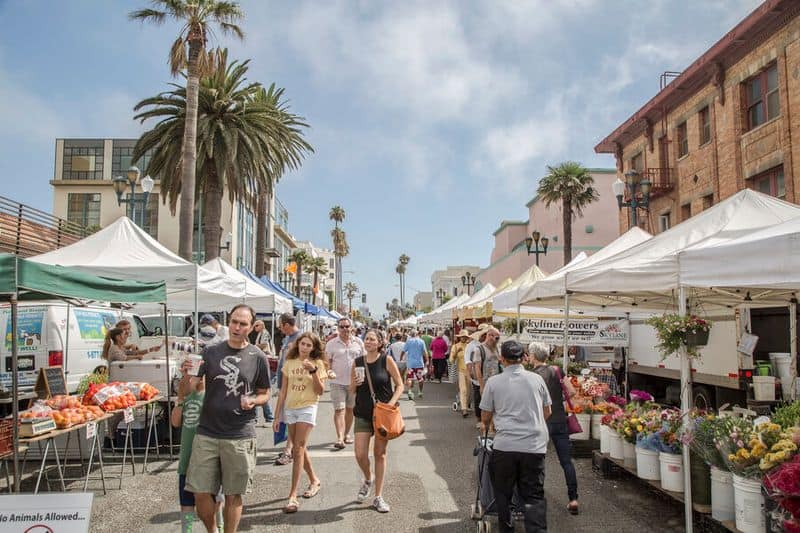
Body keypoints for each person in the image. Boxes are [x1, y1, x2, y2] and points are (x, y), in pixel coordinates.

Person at [182, 304, 271, 533]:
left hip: (240, 434)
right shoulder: (211, 352)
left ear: (251, 327)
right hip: (207, 431)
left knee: (233, 494)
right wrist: (186, 375)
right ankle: (213, 530)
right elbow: (191, 387)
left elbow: (265, 393)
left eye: (243, 324)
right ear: (228, 322)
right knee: (200, 491)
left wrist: (253, 401)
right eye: (234, 322)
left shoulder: (257, 356)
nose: (237, 327)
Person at [480, 340, 552, 533]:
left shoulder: (493, 382)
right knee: (533, 495)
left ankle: (507, 529)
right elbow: (547, 411)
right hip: (534, 445)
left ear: (502, 359)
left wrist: (488, 424)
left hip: (505, 446)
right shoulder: (537, 379)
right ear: (524, 358)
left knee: (503, 493)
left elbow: (485, 415)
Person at [272, 332, 327, 513]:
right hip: (290, 408)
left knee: (297, 449)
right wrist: (277, 415)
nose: (304, 348)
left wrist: (313, 371)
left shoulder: (318, 364)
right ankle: (314, 480)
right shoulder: (289, 363)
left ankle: (292, 496)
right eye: (302, 344)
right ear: (298, 345)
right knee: (299, 448)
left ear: (313, 348)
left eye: (308, 345)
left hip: (308, 407)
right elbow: (283, 391)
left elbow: (320, 391)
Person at [350, 329, 404, 513]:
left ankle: (378, 496)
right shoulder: (357, 362)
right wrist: (355, 384)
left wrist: (390, 404)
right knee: (359, 454)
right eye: (367, 339)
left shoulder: (386, 360)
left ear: (380, 343)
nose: (369, 342)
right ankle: (368, 477)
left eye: (373, 339)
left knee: (379, 454)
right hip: (363, 412)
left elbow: (400, 385)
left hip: (382, 415)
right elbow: (351, 390)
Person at [171, 361, 224, 533]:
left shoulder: (212, 396)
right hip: (187, 458)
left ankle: (219, 528)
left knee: (215, 500)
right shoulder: (186, 397)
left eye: (197, 371)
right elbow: (175, 422)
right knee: (186, 504)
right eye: (189, 371)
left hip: (209, 457)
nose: (194, 375)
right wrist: (180, 396)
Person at [529, 341, 579, 515]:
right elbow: (571, 391)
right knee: (566, 462)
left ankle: (537, 499)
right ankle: (573, 499)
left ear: (533, 356)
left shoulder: (532, 376)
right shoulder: (557, 370)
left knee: (538, 461)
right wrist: (558, 401)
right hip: (559, 421)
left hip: (542, 422)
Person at [326, 317, 365, 449]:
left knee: (350, 410)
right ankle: (339, 438)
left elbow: (364, 360)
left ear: (351, 328)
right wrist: (329, 371)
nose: (345, 329)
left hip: (354, 383)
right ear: (338, 328)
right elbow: (328, 362)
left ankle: (346, 434)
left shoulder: (358, 342)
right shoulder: (331, 344)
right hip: (337, 382)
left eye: (347, 326)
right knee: (339, 410)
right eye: (342, 327)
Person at [275, 313, 301, 466]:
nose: (279, 328)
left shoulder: (300, 338)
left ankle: (289, 451)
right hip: (285, 384)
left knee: (291, 418)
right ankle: (290, 449)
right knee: (286, 418)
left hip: (293, 386)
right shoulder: (287, 339)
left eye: (280, 325)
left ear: (286, 325)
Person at [465, 324, 489, 427]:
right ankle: (479, 418)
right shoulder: (472, 345)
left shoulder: (490, 344)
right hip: (477, 375)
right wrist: (472, 374)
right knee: (478, 396)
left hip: (489, 375)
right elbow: (468, 361)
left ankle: (489, 419)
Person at [252, 320, 275, 425]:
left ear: (261, 325)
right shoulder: (260, 333)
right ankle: (256, 418)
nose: (255, 327)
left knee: (262, 390)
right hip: (260, 361)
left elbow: (264, 345)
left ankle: (269, 417)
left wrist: (253, 347)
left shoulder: (264, 333)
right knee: (257, 390)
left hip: (265, 360)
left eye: (256, 325)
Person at [401, 330, 428, 401]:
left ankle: (410, 391)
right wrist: (427, 360)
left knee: (409, 378)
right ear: (417, 334)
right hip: (419, 363)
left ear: (411, 335)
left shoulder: (409, 341)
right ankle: (420, 392)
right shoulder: (421, 341)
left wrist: (401, 358)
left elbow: (403, 351)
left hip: (411, 364)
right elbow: (425, 352)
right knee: (420, 378)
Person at [449, 330, 471, 417]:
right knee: (463, 390)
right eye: (462, 337)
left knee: (469, 391)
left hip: (470, 371)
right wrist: (456, 353)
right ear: (459, 337)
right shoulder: (455, 346)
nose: (464, 338)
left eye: (465, 337)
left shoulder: (469, 346)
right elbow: (451, 360)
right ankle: (464, 409)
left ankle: (465, 403)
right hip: (461, 371)